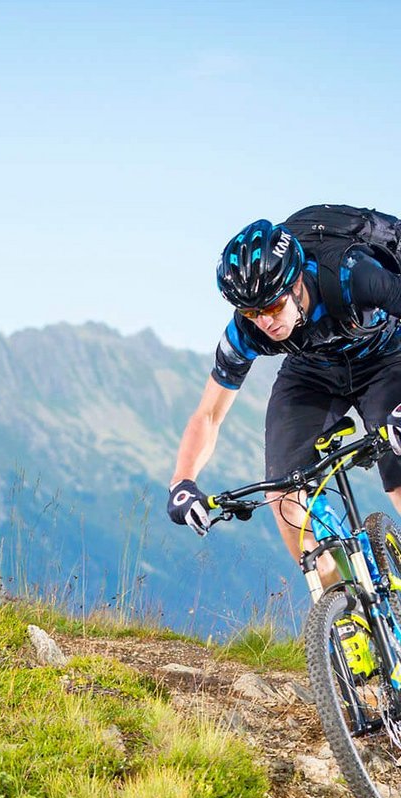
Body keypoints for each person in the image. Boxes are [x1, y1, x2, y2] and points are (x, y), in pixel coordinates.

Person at [167, 214, 401, 586]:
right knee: (283, 492)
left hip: (387, 358)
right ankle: (342, 612)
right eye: (250, 311)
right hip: (312, 371)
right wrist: (182, 481)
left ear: (295, 284)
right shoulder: (247, 329)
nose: (264, 322)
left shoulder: (352, 276)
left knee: (399, 476)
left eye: (272, 307)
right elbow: (209, 414)